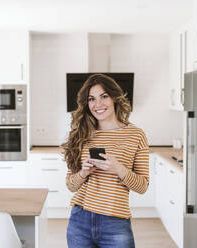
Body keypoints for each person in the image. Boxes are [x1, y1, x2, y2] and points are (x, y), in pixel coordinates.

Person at [61, 73, 150, 248]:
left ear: (115, 98)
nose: (98, 104)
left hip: (115, 222)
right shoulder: (81, 134)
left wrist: (118, 168)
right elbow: (71, 185)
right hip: (80, 220)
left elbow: (142, 186)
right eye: (91, 99)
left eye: (104, 97)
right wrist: (83, 172)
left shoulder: (136, 135)